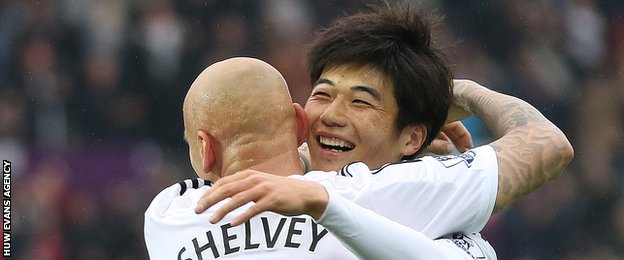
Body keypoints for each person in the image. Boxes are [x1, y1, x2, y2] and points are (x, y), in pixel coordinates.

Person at [194, 0, 573, 256]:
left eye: (361, 102)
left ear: (412, 136)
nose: (331, 116)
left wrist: (465, 90)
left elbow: (550, 145)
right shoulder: (279, 186)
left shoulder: (426, 186)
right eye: (323, 95)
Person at [144, 57, 497, 259]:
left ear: (205, 149)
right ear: (300, 122)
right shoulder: (374, 191)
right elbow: (547, 147)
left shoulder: (166, 216)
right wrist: (464, 92)